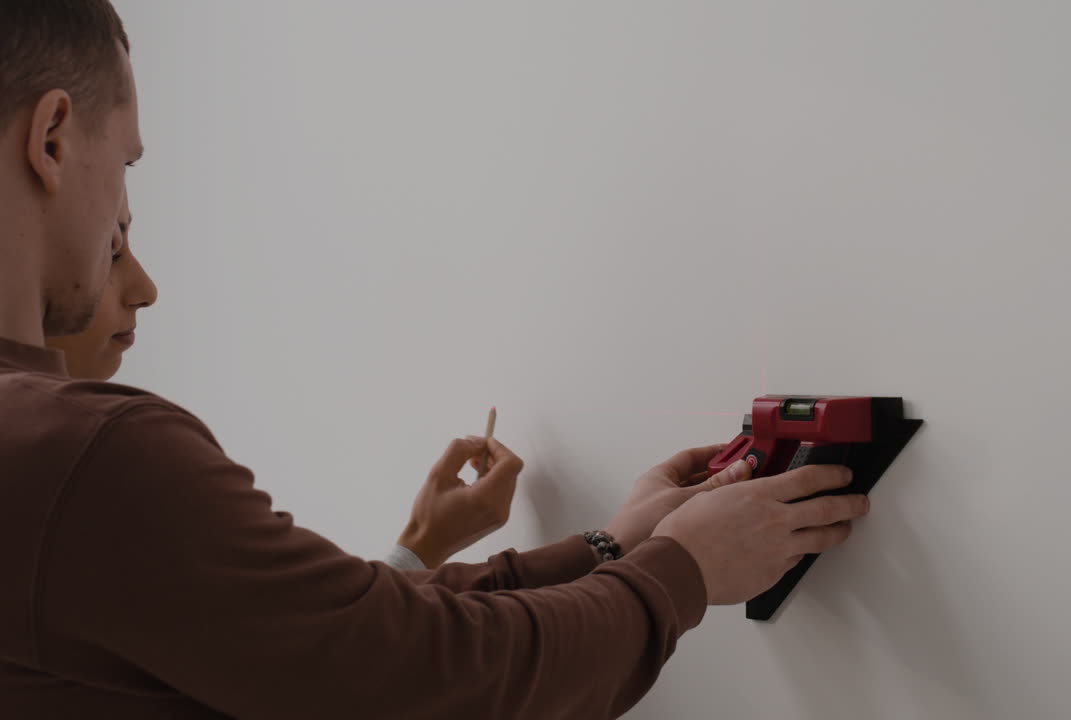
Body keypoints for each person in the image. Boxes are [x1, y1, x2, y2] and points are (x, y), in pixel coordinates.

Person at [0, 2, 872, 718]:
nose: (129, 231)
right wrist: (683, 570)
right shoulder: (81, 455)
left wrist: (613, 545)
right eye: (125, 164)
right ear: (51, 138)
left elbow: (331, 648)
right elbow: (417, 678)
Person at [44, 191, 514, 571]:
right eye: (112, 250)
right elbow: (309, 667)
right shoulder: (103, 465)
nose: (147, 290)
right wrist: (422, 545)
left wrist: (422, 546)